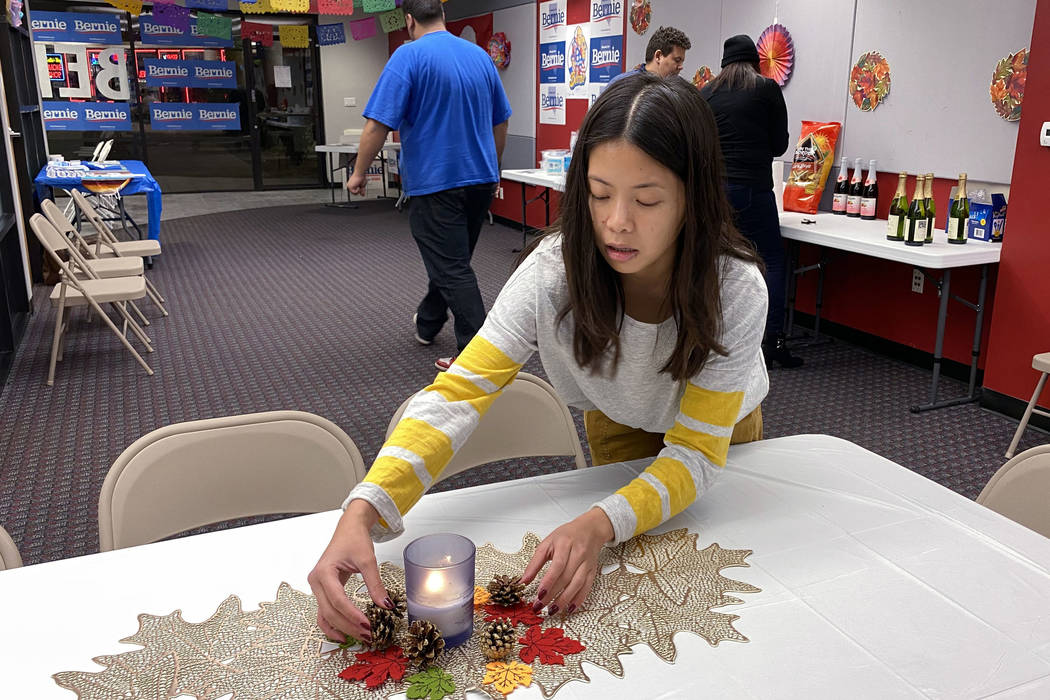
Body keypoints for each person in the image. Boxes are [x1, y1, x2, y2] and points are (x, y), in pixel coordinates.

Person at [309, 73, 768, 644]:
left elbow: (698, 452)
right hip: (618, 414)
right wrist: (363, 510)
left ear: (692, 199)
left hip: (719, 428)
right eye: (599, 194)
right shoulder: (555, 272)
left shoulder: (735, 288)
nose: (617, 222)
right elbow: (459, 394)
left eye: (647, 200)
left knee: (717, 571)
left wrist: (601, 522)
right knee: (624, 587)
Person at [347, 0, 512, 370]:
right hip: (480, 178)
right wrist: (494, 166)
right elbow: (500, 121)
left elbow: (377, 124)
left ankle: (476, 356)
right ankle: (429, 320)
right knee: (454, 259)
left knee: (452, 267)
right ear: (442, 14)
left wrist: (358, 173)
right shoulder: (479, 57)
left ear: (408, 21)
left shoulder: (408, 57)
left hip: (437, 182)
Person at [699, 35, 802, 369]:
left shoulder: (706, 95)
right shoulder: (767, 90)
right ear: (755, 61)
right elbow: (779, 145)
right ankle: (772, 342)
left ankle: (712, 336)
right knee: (770, 260)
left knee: (715, 261)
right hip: (755, 190)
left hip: (715, 193)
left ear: (724, 62)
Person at [609, 25, 690, 84]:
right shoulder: (622, 85)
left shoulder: (676, 90)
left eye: (682, 61)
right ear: (658, 56)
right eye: (677, 60)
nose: (681, 67)